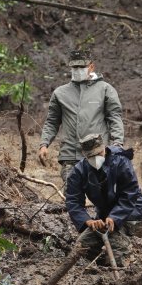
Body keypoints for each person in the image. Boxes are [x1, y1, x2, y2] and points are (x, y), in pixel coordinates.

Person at [39, 49, 125, 185]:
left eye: (82, 67)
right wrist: (44, 144)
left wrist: (117, 143)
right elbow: (52, 122)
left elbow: (114, 117)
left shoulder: (105, 89)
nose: (78, 70)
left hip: (98, 153)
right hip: (70, 155)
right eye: (75, 67)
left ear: (91, 66)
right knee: (72, 195)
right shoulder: (60, 93)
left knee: (102, 195)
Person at [65, 133, 142, 265]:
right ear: (85, 155)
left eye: (99, 153)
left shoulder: (121, 161)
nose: (96, 158)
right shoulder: (79, 171)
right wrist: (87, 221)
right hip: (105, 213)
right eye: (91, 156)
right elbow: (73, 201)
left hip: (132, 209)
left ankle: (129, 251)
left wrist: (115, 217)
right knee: (83, 245)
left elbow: (130, 193)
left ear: (104, 148)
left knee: (116, 247)